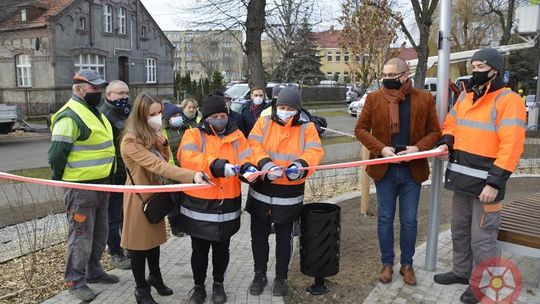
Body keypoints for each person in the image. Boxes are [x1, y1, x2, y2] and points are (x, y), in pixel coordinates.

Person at [433, 48, 526, 304]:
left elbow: (512, 146)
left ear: (495, 71)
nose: (475, 72)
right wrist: (446, 143)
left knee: (483, 239)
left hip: (487, 186)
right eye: (473, 67)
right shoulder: (466, 96)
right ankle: (462, 272)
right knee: (460, 231)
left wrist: (494, 183)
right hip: (462, 181)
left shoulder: (509, 101)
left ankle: (482, 283)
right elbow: (451, 124)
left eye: (480, 67)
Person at [355, 57, 441, 286]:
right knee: (384, 219)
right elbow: (360, 129)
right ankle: (386, 264)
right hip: (384, 170)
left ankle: (407, 264)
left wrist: (417, 148)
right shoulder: (374, 99)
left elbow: (435, 132)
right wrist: (381, 148)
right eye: (383, 75)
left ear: (405, 76)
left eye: (391, 76)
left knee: (409, 220)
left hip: (412, 170)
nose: (386, 80)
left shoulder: (424, 99)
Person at [120, 93, 207, 304]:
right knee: (139, 246)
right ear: (141, 115)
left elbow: (165, 158)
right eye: (153, 114)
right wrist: (191, 176)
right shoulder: (131, 140)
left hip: (155, 194)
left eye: (159, 112)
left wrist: (162, 141)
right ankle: (141, 290)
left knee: (153, 242)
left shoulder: (153, 135)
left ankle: (155, 277)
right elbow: (157, 165)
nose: (158, 117)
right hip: (139, 199)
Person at [48, 69, 119, 301]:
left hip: (101, 186)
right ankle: (75, 281)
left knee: (99, 233)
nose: (98, 92)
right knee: (80, 237)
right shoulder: (70, 116)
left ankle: (94, 271)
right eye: (94, 88)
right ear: (78, 89)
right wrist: (63, 179)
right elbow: (57, 154)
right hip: (80, 189)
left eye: (100, 88)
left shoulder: (92, 112)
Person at [178, 95, 257, 304]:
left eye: (223, 115)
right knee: (199, 249)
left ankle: (218, 284)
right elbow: (188, 159)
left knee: (222, 247)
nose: (220, 119)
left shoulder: (237, 135)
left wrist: (248, 169)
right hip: (200, 203)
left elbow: (247, 156)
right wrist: (218, 165)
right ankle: (198, 287)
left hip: (227, 200)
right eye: (215, 116)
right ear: (206, 117)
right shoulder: (193, 135)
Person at [246, 86, 324, 297]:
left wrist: (300, 166)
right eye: (281, 106)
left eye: (289, 107)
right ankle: (259, 274)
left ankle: (282, 277)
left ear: (297, 109)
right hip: (262, 188)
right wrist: (265, 164)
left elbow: (315, 151)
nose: (284, 110)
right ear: (275, 106)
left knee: (285, 238)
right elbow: (252, 145)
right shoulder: (263, 122)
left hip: (289, 191)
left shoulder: (307, 128)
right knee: (258, 237)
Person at [98, 80, 132, 270]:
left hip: (129, 172)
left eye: (126, 93)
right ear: (109, 95)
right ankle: (115, 253)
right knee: (114, 216)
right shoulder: (104, 114)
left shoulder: (128, 111)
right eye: (120, 93)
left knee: (128, 213)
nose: (124, 97)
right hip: (114, 174)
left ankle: (129, 246)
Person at [161, 102, 190, 237]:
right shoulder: (163, 132)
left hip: (186, 172)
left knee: (184, 201)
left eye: (179, 114)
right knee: (173, 202)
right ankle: (175, 227)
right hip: (170, 174)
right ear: (167, 118)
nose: (178, 117)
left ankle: (184, 225)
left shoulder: (187, 128)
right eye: (174, 115)